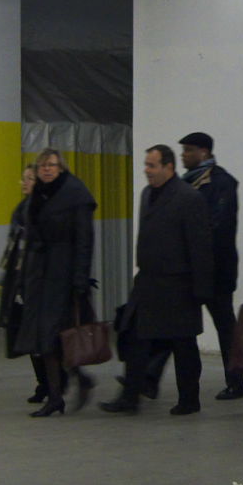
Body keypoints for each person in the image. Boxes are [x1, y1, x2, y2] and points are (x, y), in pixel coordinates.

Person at [101, 144, 214, 416]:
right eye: (146, 165)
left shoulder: (188, 198)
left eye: (152, 165)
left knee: (183, 345)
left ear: (168, 167)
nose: (146, 170)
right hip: (148, 282)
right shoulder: (146, 194)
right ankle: (130, 398)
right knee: (136, 340)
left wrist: (201, 290)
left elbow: (200, 247)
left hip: (179, 285)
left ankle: (189, 399)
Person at [14, 148, 99, 417]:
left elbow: (85, 240)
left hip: (63, 275)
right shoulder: (38, 195)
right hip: (39, 274)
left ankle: (59, 393)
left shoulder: (75, 194)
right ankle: (63, 389)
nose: (47, 170)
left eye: (51, 165)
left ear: (61, 168)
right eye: (42, 166)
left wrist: (80, 279)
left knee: (52, 336)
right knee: (44, 337)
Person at [180, 132, 243, 400]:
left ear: (204, 152)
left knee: (225, 326)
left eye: (188, 150)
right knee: (179, 324)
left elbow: (219, 227)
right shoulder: (186, 183)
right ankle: (149, 377)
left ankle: (236, 382)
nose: (184, 154)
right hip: (193, 268)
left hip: (217, 269)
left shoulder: (221, 183)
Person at [0, 165, 48, 404]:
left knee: (40, 337)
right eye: (23, 179)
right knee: (27, 336)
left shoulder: (43, 209)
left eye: (29, 179)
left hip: (37, 281)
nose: (23, 183)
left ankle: (53, 383)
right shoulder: (21, 210)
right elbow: (14, 247)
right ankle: (44, 383)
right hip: (20, 282)